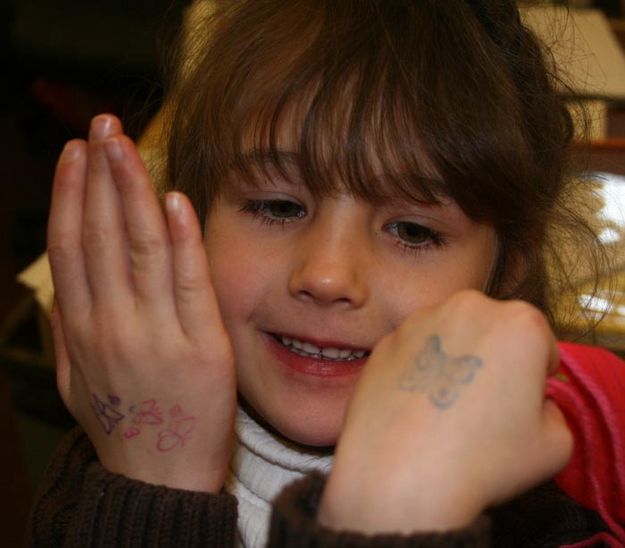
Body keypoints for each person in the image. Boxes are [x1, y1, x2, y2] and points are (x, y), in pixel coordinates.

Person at [27, 0, 625, 546]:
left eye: (413, 231)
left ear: (504, 274)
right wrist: (152, 485)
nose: (328, 275)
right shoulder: (119, 449)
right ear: (193, 224)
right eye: (278, 207)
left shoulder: (553, 520)